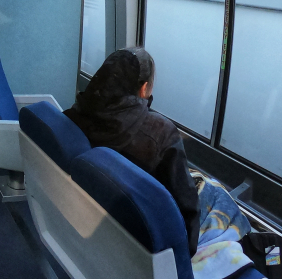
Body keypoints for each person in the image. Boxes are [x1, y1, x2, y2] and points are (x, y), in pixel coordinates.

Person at [64, 47, 200, 255]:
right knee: (216, 194)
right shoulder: (160, 133)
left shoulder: (73, 115)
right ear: (144, 88)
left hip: (86, 220)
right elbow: (186, 209)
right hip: (149, 246)